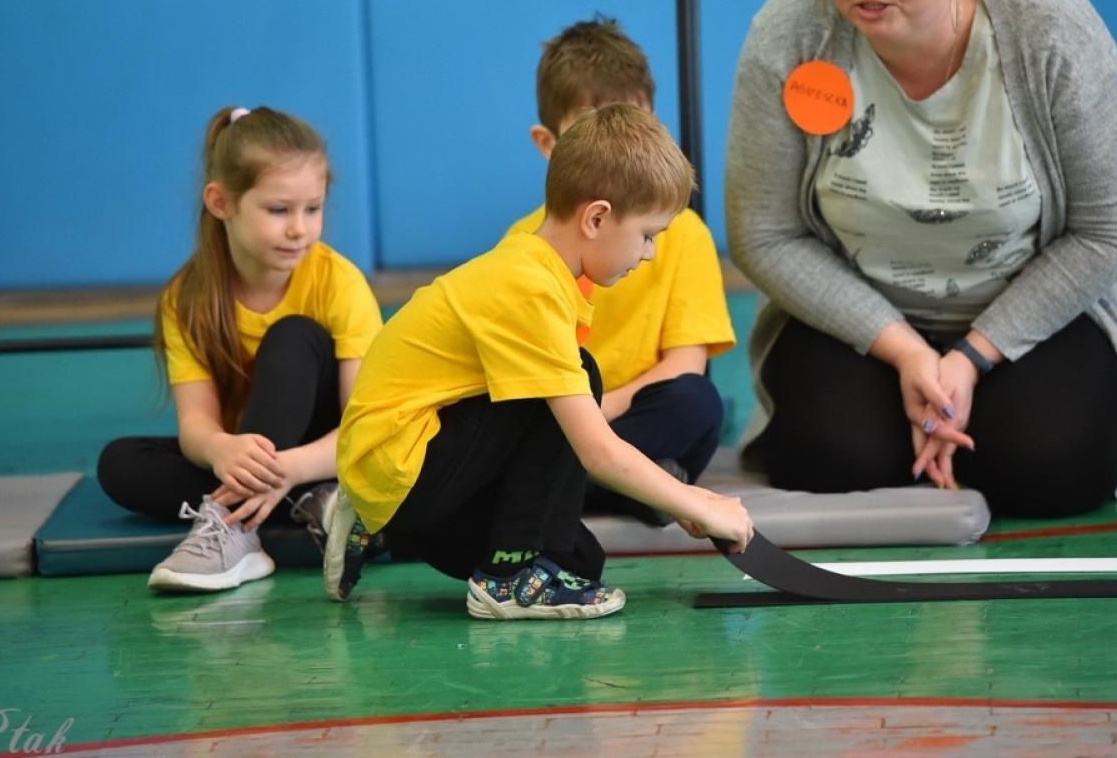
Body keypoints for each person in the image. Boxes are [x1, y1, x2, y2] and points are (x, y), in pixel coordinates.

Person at [726, 0, 1117, 519]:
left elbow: (1113, 229)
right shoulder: (789, 35)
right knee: (832, 461)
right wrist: (904, 351)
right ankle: (923, 422)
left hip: (1027, 316)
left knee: (1053, 466)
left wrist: (969, 358)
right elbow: (764, 233)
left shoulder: (1052, 29)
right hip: (859, 321)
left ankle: (955, 423)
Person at [327, 103, 754, 620]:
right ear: (597, 217)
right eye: (647, 236)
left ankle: (381, 527)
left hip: (413, 464)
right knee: (578, 378)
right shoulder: (528, 287)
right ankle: (506, 580)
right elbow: (597, 451)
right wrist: (698, 502)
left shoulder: (540, 273)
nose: (648, 255)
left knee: (579, 561)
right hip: (403, 460)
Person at [97, 105, 383, 592]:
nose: (300, 229)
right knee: (120, 463)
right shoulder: (187, 297)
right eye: (278, 210)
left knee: (292, 335)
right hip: (248, 458)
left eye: (312, 209)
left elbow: (368, 427)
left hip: (325, 449)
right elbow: (195, 426)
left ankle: (233, 529)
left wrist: (290, 467)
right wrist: (221, 447)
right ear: (220, 202)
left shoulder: (339, 283)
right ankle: (312, 503)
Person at [504, 17, 735, 525]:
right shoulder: (524, 247)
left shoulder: (683, 233)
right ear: (548, 144)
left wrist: (602, 424)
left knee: (697, 403)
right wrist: (585, 426)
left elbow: (685, 365)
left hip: (633, 418)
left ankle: (609, 480)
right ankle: (639, 486)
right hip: (561, 421)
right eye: (595, 134)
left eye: (637, 129)